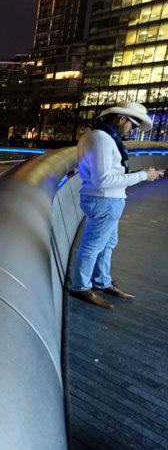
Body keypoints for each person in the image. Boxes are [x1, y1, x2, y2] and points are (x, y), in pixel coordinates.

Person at [69, 102, 164, 309]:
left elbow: (109, 174)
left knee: (107, 243)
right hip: (104, 200)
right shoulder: (102, 139)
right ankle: (80, 286)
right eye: (133, 124)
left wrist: (141, 174)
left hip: (107, 200)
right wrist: (143, 176)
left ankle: (101, 281)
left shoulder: (100, 136)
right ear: (121, 118)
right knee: (94, 245)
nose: (133, 130)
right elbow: (103, 180)